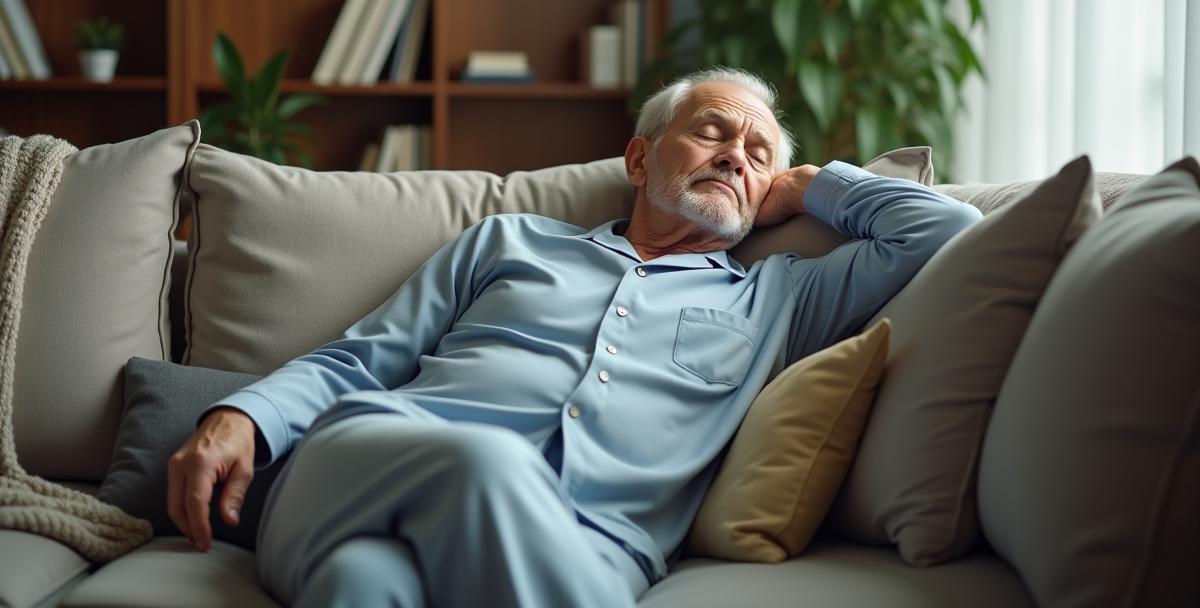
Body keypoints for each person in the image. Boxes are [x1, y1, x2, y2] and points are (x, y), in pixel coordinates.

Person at [168, 67, 980, 608]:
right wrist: (242, 417)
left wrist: (808, 183)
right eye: (713, 133)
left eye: (757, 154)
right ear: (638, 159)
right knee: (479, 459)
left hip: (589, 553)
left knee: (360, 584)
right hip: (372, 463)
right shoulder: (509, 243)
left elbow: (943, 230)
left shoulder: (781, 296)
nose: (736, 157)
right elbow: (363, 358)